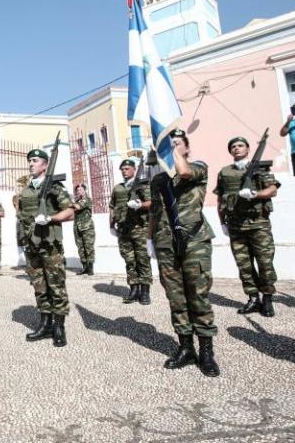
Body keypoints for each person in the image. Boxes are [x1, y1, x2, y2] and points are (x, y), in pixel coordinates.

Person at [148, 129, 220, 377]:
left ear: (187, 148)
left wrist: (170, 149)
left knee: (198, 296)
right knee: (176, 299)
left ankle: (207, 352)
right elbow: (155, 212)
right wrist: (150, 240)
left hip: (194, 242)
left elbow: (184, 171)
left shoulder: (198, 168)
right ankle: (186, 348)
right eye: (167, 146)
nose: (170, 149)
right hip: (166, 243)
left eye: (177, 144)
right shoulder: (158, 181)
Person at [215, 136, 281, 317]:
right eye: (233, 146)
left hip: (259, 224)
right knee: (244, 265)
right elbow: (220, 198)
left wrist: (255, 194)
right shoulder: (225, 172)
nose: (236, 148)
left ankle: (267, 298)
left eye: (240, 145)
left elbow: (273, 189)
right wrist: (222, 222)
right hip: (236, 226)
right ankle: (253, 298)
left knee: (265, 263)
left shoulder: (259, 168)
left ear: (248, 148)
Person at [17, 149, 74, 347]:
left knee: (56, 286)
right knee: (39, 286)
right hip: (31, 245)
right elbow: (21, 216)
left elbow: (70, 212)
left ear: (45, 164)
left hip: (50, 245)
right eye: (29, 161)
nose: (31, 163)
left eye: (35, 160)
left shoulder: (54, 186)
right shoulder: (26, 189)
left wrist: (51, 218)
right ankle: (45, 324)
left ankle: (59, 327)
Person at [108, 159, 152, 304]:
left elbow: (152, 202)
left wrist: (140, 205)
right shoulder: (118, 188)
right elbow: (112, 207)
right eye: (122, 169)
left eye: (127, 168)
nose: (124, 171)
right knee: (129, 260)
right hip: (123, 230)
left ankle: (145, 292)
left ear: (134, 170)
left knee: (143, 260)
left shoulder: (142, 184)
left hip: (140, 228)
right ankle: (134, 289)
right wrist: (111, 225)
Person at [72, 184, 96, 276]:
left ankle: (90, 268)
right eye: (77, 190)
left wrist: (70, 201)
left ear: (85, 191)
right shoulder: (76, 201)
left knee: (88, 248)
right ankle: (84, 267)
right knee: (80, 248)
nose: (79, 192)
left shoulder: (87, 200)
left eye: (81, 190)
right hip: (77, 227)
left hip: (87, 228)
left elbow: (78, 207)